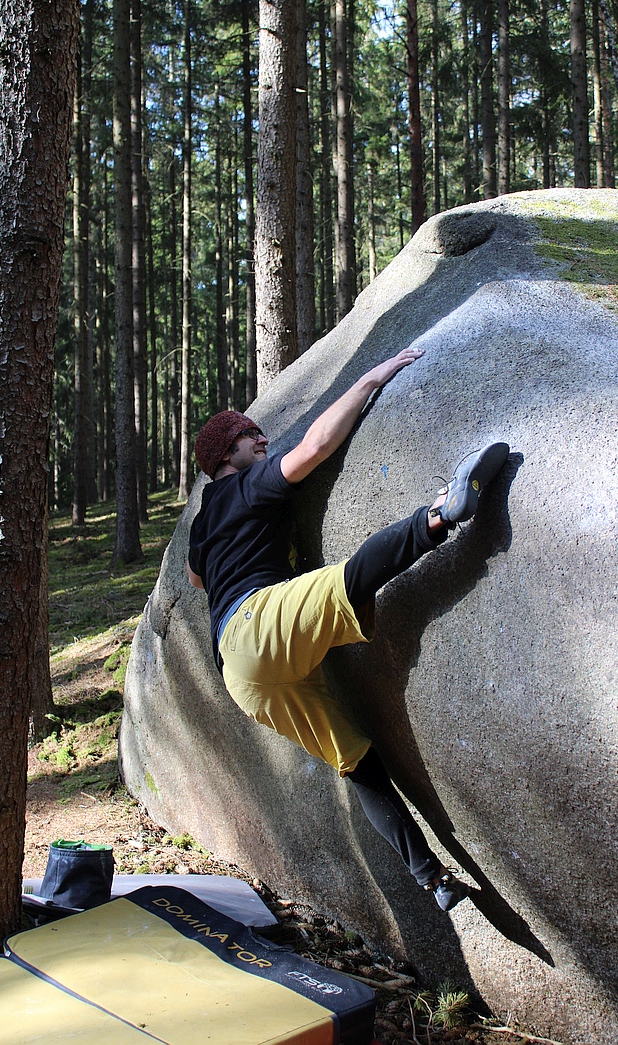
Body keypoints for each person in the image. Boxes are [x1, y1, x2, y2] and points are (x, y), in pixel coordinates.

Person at [186, 347, 509, 912]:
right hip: (259, 625)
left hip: (243, 680)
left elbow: (194, 579)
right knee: (352, 577)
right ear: (224, 454)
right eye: (249, 436)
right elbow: (314, 447)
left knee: (356, 760)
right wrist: (372, 378)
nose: (262, 440)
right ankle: (443, 513)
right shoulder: (246, 487)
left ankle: (431, 878)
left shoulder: (204, 519)